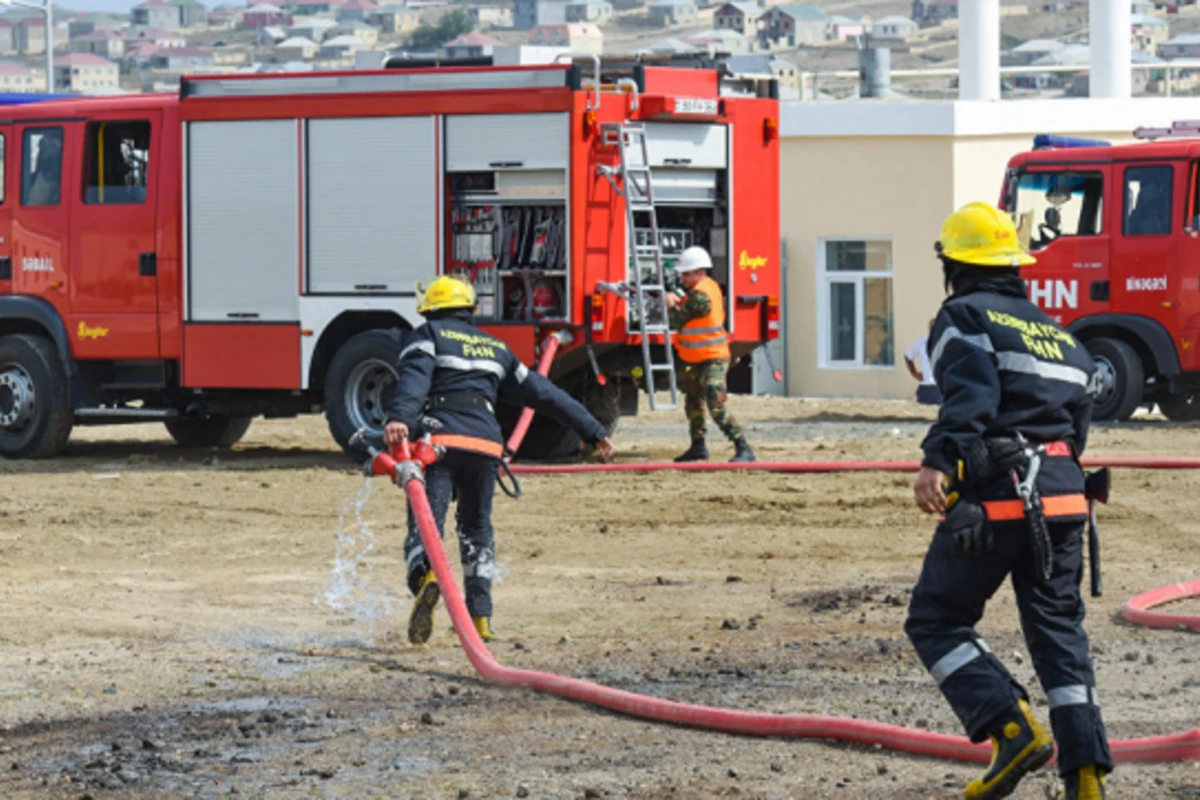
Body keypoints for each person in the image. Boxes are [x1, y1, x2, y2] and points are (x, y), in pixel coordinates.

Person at [906, 202, 1112, 800]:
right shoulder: (1063, 337)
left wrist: (937, 462)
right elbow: (1076, 433)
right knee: (1058, 634)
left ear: (954, 264)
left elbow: (970, 397)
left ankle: (1011, 728)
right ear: (1013, 267)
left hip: (1002, 499)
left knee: (936, 618)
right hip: (1067, 501)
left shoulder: (962, 315)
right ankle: (1088, 776)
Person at [384, 276, 615, 645]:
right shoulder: (495, 348)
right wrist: (592, 430)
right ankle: (481, 621)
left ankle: (427, 578)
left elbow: (413, 381)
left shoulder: (428, 334)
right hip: (485, 447)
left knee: (426, 523)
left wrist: (400, 418)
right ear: (469, 309)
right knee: (477, 531)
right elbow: (545, 393)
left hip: (438, 443)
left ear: (431, 307)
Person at [665, 246, 755, 464]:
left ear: (700, 272)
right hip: (698, 358)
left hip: (712, 358)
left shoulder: (701, 296)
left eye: (686, 274)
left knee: (715, 404)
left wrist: (669, 305)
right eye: (682, 274)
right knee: (693, 402)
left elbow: (677, 320)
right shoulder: (703, 290)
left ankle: (743, 448)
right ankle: (698, 447)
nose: (683, 278)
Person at [904, 319, 943, 406]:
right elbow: (908, 356)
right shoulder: (921, 343)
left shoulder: (946, 344)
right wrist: (914, 373)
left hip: (940, 389)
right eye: (931, 328)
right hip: (925, 388)